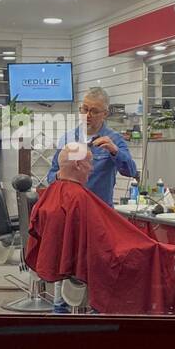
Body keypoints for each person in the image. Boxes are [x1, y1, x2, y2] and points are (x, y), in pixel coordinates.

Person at [25, 143, 175, 316]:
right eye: (90, 163)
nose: (92, 168)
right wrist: (147, 245)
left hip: (92, 257)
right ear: (78, 165)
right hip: (104, 259)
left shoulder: (54, 193)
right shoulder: (77, 198)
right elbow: (103, 244)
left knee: (163, 253)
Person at [45, 87, 138, 311]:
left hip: (100, 217)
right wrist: (60, 175)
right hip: (70, 217)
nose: (87, 115)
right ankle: (61, 315)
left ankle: (96, 315)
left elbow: (131, 171)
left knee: (98, 271)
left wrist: (116, 152)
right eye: (84, 109)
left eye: (94, 111)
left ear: (105, 113)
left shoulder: (114, 139)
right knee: (65, 268)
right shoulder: (68, 138)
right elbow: (51, 176)